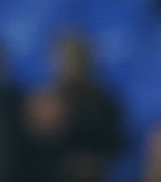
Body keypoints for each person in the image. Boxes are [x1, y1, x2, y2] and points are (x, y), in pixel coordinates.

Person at [16, 33, 125, 182]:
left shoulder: (104, 103)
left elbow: (115, 147)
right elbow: (28, 150)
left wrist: (93, 164)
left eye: (75, 60)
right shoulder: (43, 102)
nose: (69, 67)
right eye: (64, 60)